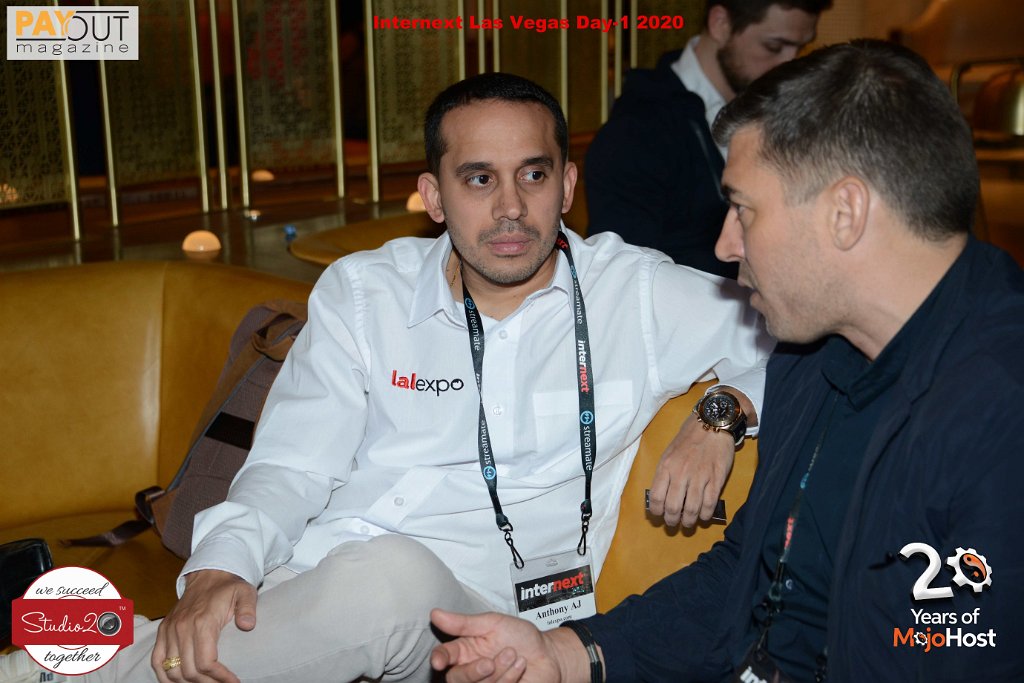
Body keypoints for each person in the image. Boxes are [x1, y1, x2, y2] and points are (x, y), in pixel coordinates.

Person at [0, 74, 769, 683]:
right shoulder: (365, 291)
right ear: (433, 196)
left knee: (388, 582)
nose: (511, 208)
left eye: (533, 174)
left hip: (476, 620)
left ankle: (53, 667)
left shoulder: (633, 294)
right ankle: (69, 650)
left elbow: (792, 334)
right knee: (298, 600)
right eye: (478, 179)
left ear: (567, 185)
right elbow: (292, 464)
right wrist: (219, 569)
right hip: (313, 585)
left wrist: (723, 412)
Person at [429, 40, 1024, 682]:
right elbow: (748, 581)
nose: (724, 244)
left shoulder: (1000, 409)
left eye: (742, 209)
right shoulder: (811, 358)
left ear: (845, 213)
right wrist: (569, 654)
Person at [584, 0, 830, 279]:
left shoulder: (784, 111)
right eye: (773, 47)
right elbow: (624, 280)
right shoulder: (635, 133)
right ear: (720, 24)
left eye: (800, 48)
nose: (788, 64)